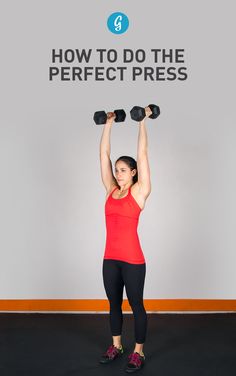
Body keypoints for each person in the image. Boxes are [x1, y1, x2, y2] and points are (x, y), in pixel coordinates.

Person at [99, 107, 152, 372]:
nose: (118, 174)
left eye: (123, 170)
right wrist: (108, 123)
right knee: (113, 305)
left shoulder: (140, 193)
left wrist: (141, 122)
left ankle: (138, 352)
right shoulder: (110, 190)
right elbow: (103, 155)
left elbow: (142, 155)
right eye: (116, 170)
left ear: (133, 173)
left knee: (136, 305)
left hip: (132, 261)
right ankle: (116, 345)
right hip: (110, 259)